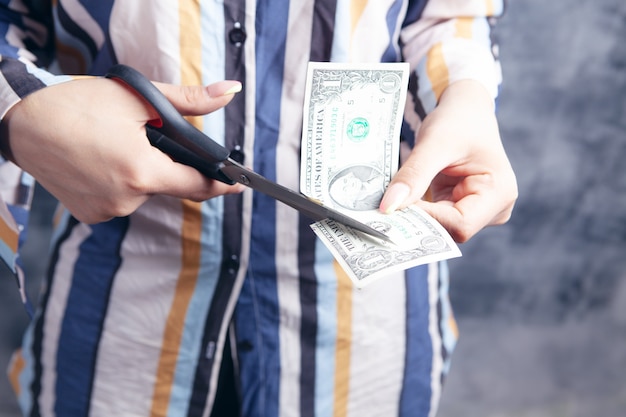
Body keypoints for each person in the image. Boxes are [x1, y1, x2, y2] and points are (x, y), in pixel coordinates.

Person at [0, 1, 517, 416]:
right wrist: (14, 107)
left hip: (365, 336)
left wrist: (464, 94)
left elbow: (448, 15)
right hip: (116, 330)